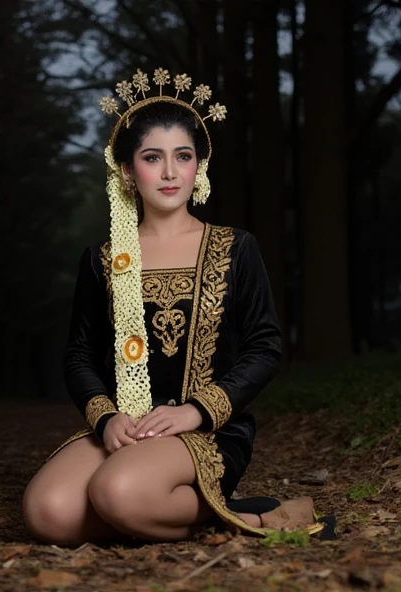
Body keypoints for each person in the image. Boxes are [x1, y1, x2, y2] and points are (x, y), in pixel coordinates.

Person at [23, 68, 319, 545]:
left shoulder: (235, 248)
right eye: (151, 157)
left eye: (182, 156)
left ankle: (255, 518)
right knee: (46, 513)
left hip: (207, 430)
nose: (168, 172)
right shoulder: (102, 260)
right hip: (129, 427)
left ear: (198, 165)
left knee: (116, 491)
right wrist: (106, 418)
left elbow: (265, 348)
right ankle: (157, 506)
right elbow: (79, 355)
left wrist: (197, 411)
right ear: (126, 169)